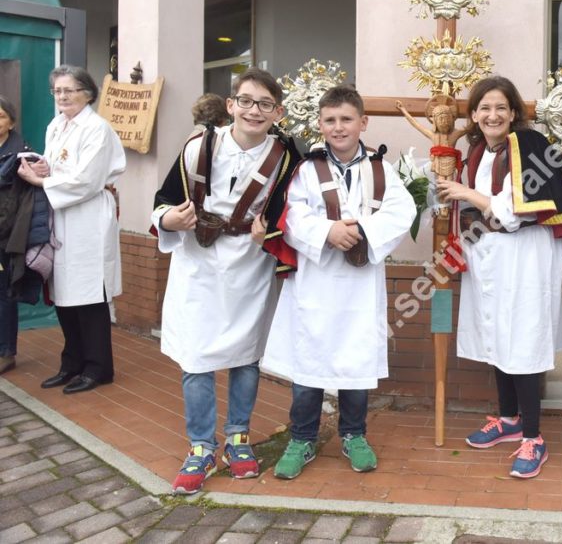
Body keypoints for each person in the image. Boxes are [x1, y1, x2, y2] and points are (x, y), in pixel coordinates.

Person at [152, 68, 298, 495]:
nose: (255, 110)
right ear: (231, 105)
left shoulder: (287, 156)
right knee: (196, 355)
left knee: (245, 354)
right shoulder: (198, 148)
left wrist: (270, 234)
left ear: (278, 112)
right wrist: (168, 219)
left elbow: (294, 210)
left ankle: (238, 438)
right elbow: (163, 200)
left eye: (265, 104)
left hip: (249, 265)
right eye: (247, 101)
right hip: (197, 262)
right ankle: (200, 445)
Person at [262, 85, 415, 478]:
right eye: (330, 120)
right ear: (319, 124)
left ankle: (353, 434)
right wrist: (327, 232)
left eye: (347, 119)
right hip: (315, 282)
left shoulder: (382, 170)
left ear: (363, 122)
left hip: (359, 287)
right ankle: (302, 438)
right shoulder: (307, 169)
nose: (339, 127)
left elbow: (402, 211)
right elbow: (290, 214)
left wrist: (362, 230)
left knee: (355, 360)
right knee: (309, 362)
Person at [436, 75, 562, 479]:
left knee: (523, 338)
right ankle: (509, 418)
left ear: (514, 112)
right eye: (484, 107)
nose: (492, 114)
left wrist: (470, 197)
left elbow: (525, 207)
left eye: (501, 107)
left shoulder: (530, 145)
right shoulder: (477, 152)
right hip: (489, 256)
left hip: (526, 255)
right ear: (475, 114)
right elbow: (477, 208)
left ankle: (533, 437)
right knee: (498, 336)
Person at [18, 66, 126, 394]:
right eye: (57, 91)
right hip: (61, 216)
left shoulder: (97, 128)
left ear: (88, 94)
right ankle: (72, 363)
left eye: (69, 90)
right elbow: (59, 166)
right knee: (64, 294)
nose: (62, 96)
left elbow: (87, 180)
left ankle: (98, 368)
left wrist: (42, 180)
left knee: (89, 295)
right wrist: (42, 167)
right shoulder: (56, 125)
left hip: (88, 217)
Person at [0, 97, 37, 374]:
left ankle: (6, 352)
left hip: (6, 236)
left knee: (4, 294)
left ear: (11, 122)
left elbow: (21, 202)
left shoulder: (23, 155)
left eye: (1, 116)